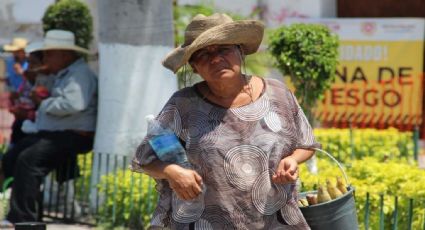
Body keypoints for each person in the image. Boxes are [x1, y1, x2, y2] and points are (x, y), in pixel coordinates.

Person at [131, 13, 320, 229]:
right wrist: (173, 172)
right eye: (203, 54)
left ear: (240, 51)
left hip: (276, 221)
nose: (215, 58)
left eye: (224, 49)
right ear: (193, 66)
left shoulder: (278, 94)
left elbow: (307, 144)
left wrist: (293, 160)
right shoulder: (183, 105)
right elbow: (144, 158)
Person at [0, 29, 97, 227]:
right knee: (13, 156)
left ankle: (24, 220)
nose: (45, 58)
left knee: (29, 160)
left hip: (74, 135)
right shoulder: (63, 72)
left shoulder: (80, 74)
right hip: (56, 133)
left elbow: (74, 104)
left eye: (49, 54)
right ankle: (26, 212)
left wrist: (44, 103)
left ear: (65, 54)